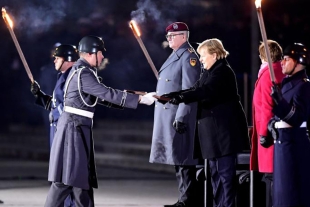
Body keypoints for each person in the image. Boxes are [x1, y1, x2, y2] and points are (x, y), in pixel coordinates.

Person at [44, 35, 155, 207]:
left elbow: (103, 97)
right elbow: (107, 93)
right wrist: (140, 100)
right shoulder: (83, 73)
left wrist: (137, 96)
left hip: (77, 127)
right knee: (66, 180)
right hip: (74, 129)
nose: (103, 57)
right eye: (101, 53)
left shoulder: (83, 71)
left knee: (81, 178)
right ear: (91, 53)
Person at [163, 38, 249, 207]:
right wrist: (174, 95)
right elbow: (195, 89)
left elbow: (206, 91)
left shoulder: (222, 71)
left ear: (215, 54)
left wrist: (181, 97)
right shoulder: (209, 72)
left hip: (224, 134)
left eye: (203, 55)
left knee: (225, 175)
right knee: (215, 174)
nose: (200, 59)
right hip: (212, 135)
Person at [149, 22, 202, 207]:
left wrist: (181, 116)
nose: (169, 38)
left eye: (173, 35)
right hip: (169, 114)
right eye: (168, 36)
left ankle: (188, 201)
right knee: (178, 160)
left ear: (184, 36)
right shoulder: (176, 55)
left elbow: (189, 89)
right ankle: (184, 198)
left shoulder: (188, 58)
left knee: (184, 160)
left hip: (179, 117)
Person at [31, 44, 79, 207]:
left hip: (67, 129)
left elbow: (70, 103)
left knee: (66, 170)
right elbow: (55, 102)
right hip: (57, 128)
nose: (54, 60)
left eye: (57, 58)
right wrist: (40, 95)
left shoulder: (74, 76)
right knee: (59, 169)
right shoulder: (62, 76)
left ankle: (69, 204)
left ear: (67, 59)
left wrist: (56, 113)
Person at [268, 43, 310, 207]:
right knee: (281, 196)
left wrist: (280, 102)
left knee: (292, 195)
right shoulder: (286, 83)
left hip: (294, 148)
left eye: (286, 59)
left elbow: (298, 117)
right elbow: (278, 115)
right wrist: (272, 124)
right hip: (282, 144)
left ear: (299, 61)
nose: (282, 63)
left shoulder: (304, 85)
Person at [249, 40, 285, 207]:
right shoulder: (281, 71)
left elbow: (266, 108)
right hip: (279, 131)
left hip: (269, 134)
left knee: (271, 177)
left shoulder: (267, 75)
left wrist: (263, 133)